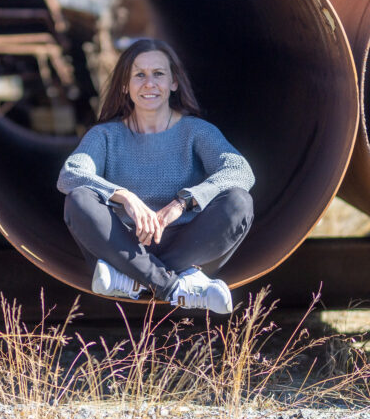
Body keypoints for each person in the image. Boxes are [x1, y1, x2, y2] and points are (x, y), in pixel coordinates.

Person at [58, 38, 254, 313]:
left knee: (239, 202)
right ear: (125, 85)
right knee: (79, 199)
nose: (149, 83)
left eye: (158, 74)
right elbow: (70, 173)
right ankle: (175, 287)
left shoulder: (196, 131)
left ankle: (134, 280)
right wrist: (125, 197)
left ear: (174, 82)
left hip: (187, 245)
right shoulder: (105, 135)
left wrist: (184, 202)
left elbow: (240, 170)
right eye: (139, 75)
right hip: (125, 247)